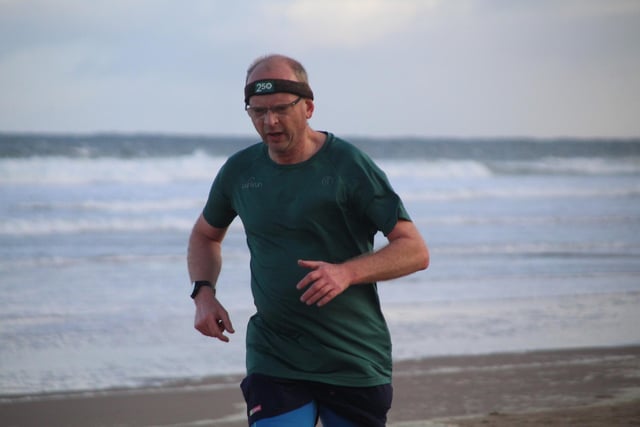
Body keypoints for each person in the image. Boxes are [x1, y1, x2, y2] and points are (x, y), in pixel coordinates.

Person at [187, 54, 429, 427]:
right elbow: (205, 234)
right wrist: (203, 293)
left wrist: (346, 273)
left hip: (353, 358)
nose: (270, 122)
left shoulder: (348, 166)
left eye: (281, 109)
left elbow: (413, 249)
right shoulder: (240, 171)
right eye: (258, 111)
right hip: (275, 356)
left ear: (309, 107)